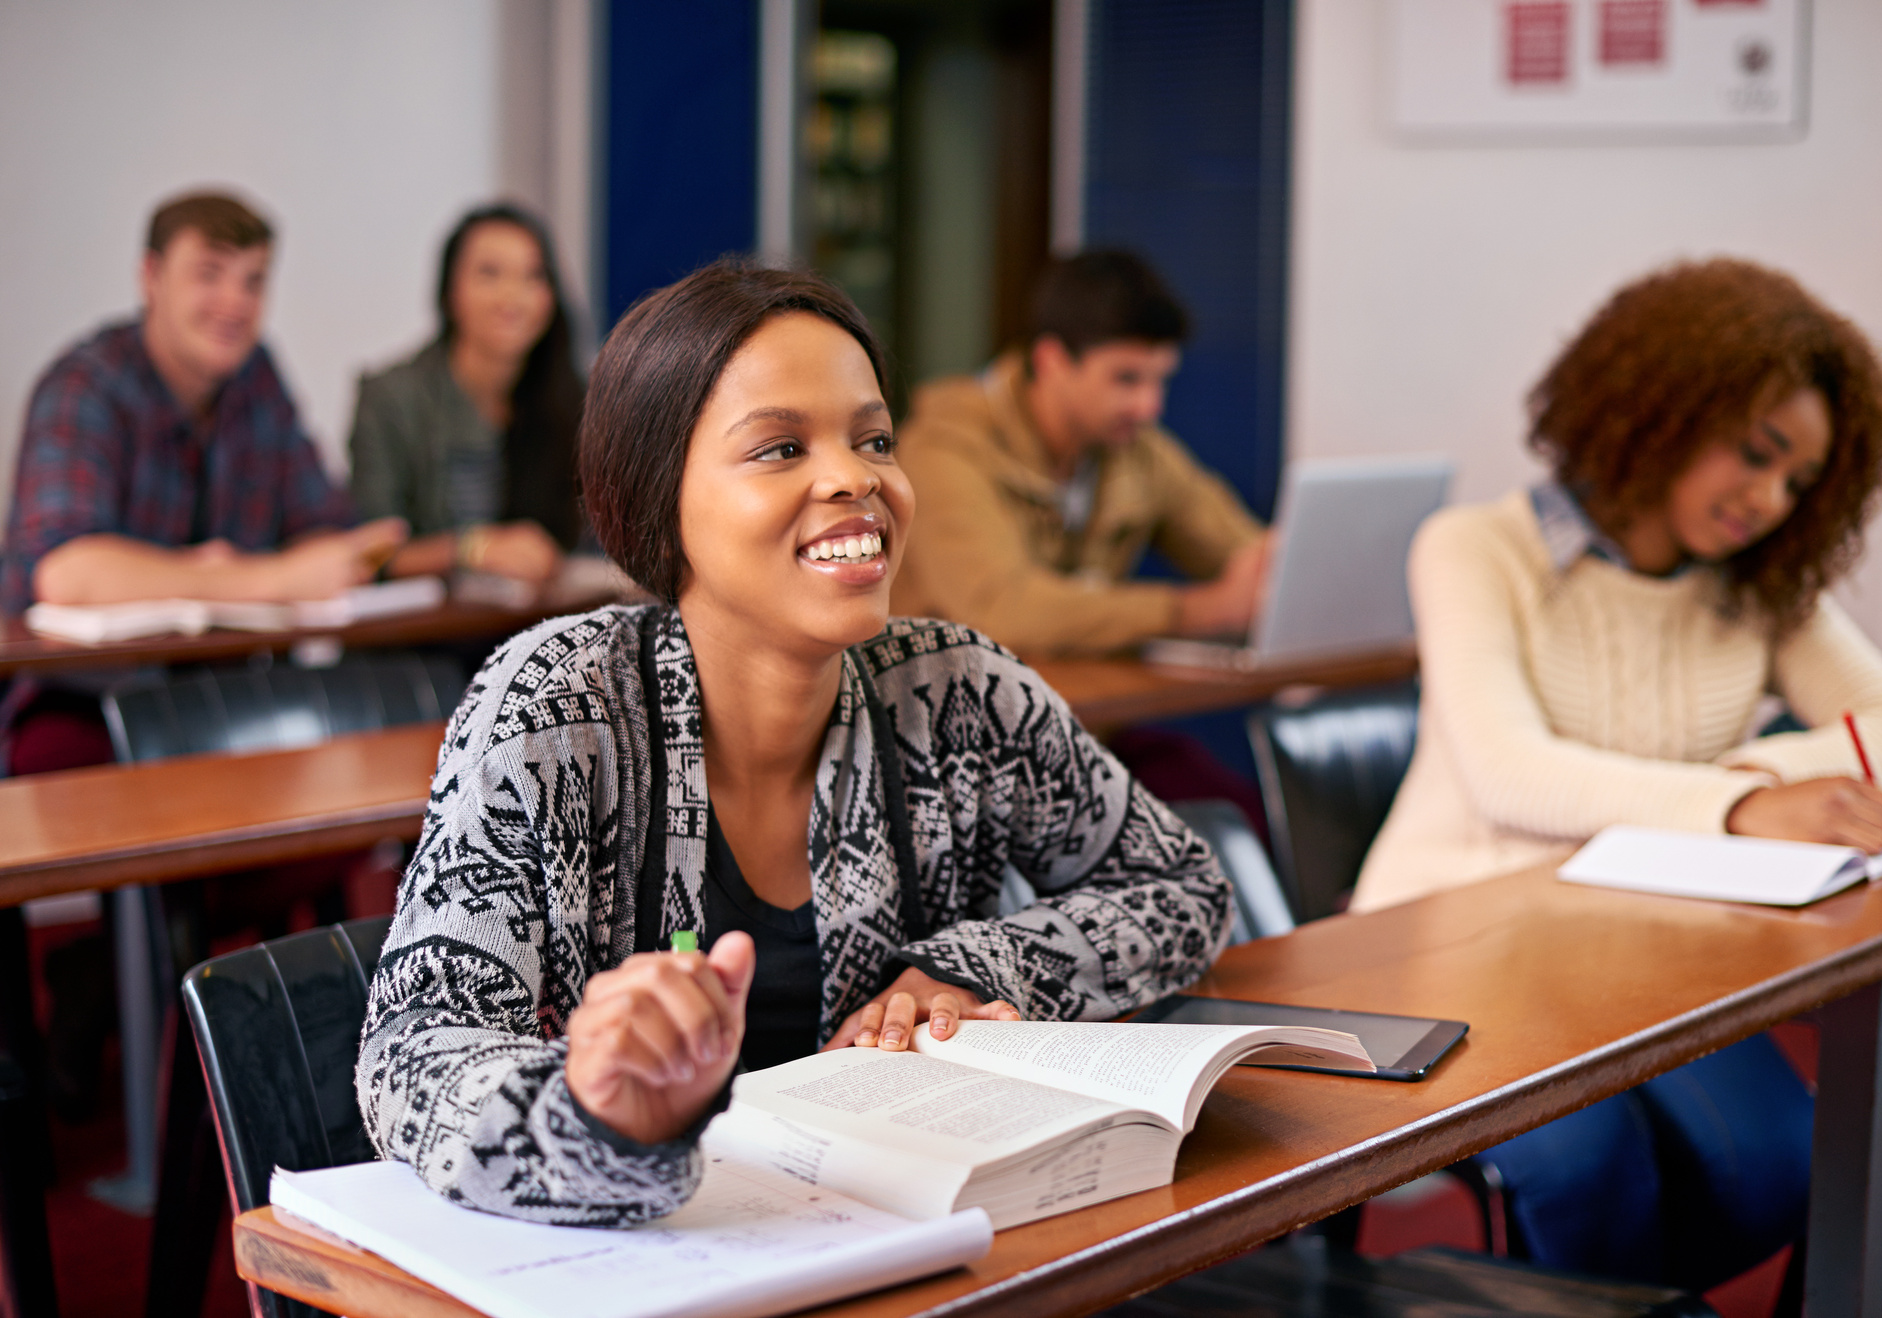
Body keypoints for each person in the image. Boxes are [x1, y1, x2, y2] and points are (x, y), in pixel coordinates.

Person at [356, 259, 1233, 1225]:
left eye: (874, 439)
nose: (855, 477)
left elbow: (1183, 888)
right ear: (661, 497)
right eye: (779, 449)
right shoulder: (556, 709)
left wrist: (976, 968)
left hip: (907, 1253)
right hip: (651, 1263)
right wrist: (597, 1116)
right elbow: (413, 1053)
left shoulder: (956, 689)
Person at [1355, 259, 1882, 1288]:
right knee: (1593, 1175)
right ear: (1657, 406)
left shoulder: (1758, 587)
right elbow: (1513, 775)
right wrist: (1747, 805)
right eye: (1756, 453)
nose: (1768, 500)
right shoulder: (1475, 549)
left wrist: (1751, 772)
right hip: (1456, 947)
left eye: (1799, 480)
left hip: (1637, 953)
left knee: (1780, 1168)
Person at [0, 190, 405, 776]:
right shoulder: (84, 385)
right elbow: (67, 572)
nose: (234, 303)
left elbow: (328, 530)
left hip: (223, 694)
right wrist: (264, 578)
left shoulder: (256, 378)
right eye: (209, 273)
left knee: (355, 763)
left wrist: (332, 558)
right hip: (83, 701)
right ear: (151, 277)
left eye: (253, 281)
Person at [889, 250, 1271, 657]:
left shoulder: (1137, 450)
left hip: (1073, 708)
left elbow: (1245, 553)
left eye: (1160, 380)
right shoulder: (944, 449)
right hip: (939, 710)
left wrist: (1273, 567)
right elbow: (1001, 609)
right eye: (1126, 379)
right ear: (1052, 360)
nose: (1149, 407)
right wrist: (1199, 611)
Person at [349, 203, 586, 585]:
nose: (513, 296)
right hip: (424, 638)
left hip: (539, 631)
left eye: (534, 276)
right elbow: (369, 551)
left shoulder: (575, 398)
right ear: (450, 290)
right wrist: (473, 549)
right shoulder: (392, 398)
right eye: (489, 274)